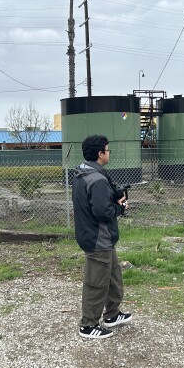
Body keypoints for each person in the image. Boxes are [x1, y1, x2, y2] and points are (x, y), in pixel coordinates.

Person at [72, 135, 132, 339]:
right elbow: (102, 212)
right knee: (96, 282)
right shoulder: (96, 179)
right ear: (100, 154)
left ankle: (112, 314)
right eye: (108, 150)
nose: (109, 153)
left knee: (113, 276)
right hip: (98, 238)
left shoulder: (84, 173)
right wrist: (120, 207)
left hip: (101, 238)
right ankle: (88, 325)